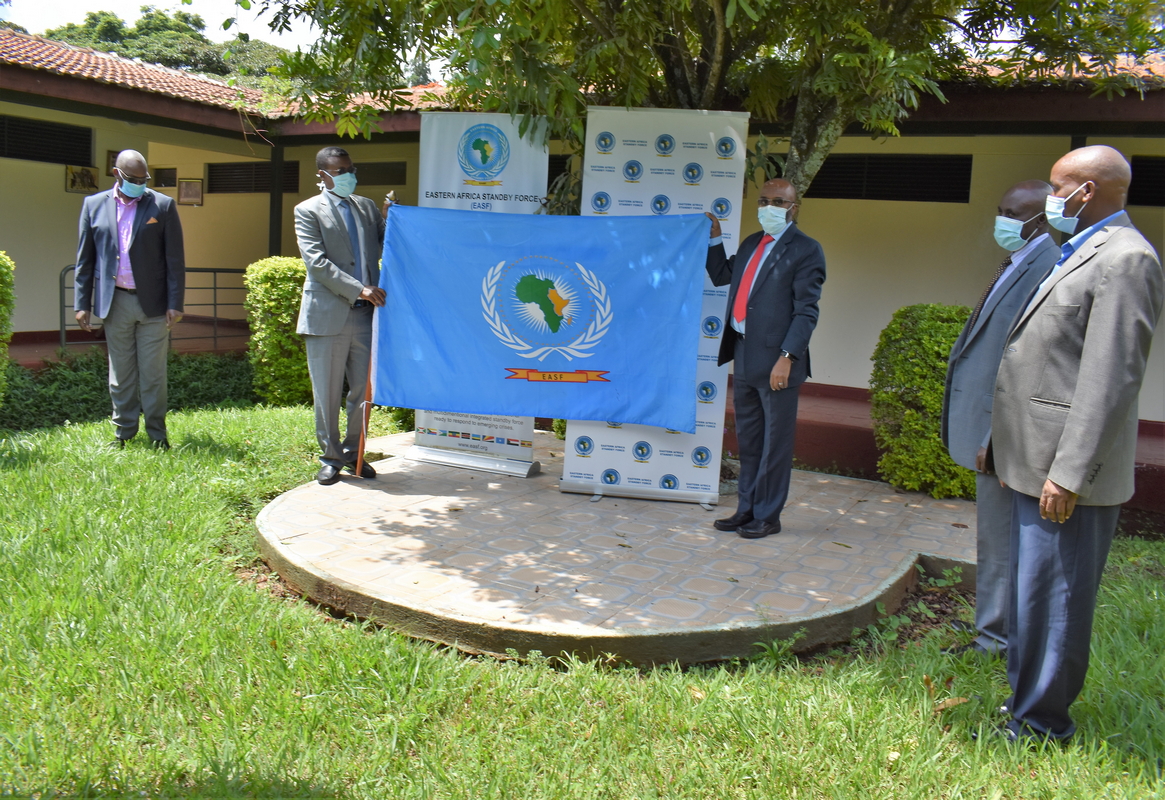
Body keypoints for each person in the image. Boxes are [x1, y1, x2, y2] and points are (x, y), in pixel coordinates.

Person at [990, 145, 1163, 742]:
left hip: (1065, 470)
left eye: (1056, 187)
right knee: (1031, 598)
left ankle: (1042, 725)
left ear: (1086, 191)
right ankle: (1023, 702)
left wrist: (1069, 472)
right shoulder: (1079, 249)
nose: (1049, 199)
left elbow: (1110, 378)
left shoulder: (1126, 259)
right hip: (1032, 458)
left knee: (1055, 603)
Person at [941, 180, 1059, 657]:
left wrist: (997, 434)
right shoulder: (1018, 261)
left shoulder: (1047, 266)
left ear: (1041, 220)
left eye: (1014, 214)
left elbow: (1030, 363)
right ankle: (995, 627)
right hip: (993, 427)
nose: (1003, 221)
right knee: (997, 537)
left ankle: (996, 638)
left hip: (1005, 435)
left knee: (1000, 540)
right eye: (1001, 210)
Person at [704, 178, 826, 539]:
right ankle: (747, 509)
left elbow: (806, 311)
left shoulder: (806, 250)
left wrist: (788, 356)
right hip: (744, 353)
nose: (768, 207)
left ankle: (768, 516)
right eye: (763, 200)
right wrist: (715, 238)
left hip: (777, 361)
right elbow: (721, 275)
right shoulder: (751, 243)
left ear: (793, 208)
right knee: (750, 440)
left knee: (775, 444)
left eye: (778, 201)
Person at [74, 149, 185, 450]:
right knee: (120, 374)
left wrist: (175, 303)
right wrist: (82, 303)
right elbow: (85, 260)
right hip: (115, 302)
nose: (139, 184)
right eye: (132, 179)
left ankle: (157, 435)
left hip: (153, 304)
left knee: (153, 374)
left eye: (143, 179)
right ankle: (123, 433)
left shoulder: (162, 205)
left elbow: (175, 259)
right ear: (117, 174)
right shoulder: (94, 205)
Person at [295, 146, 387, 485]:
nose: (348, 176)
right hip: (328, 315)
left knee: (362, 393)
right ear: (322, 175)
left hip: (366, 317)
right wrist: (359, 288)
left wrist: (394, 218)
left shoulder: (366, 207)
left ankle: (354, 454)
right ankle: (331, 458)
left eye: (351, 169)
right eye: (340, 171)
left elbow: (389, 241)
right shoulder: (307, 210)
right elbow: (317, 263)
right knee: (328, 393)